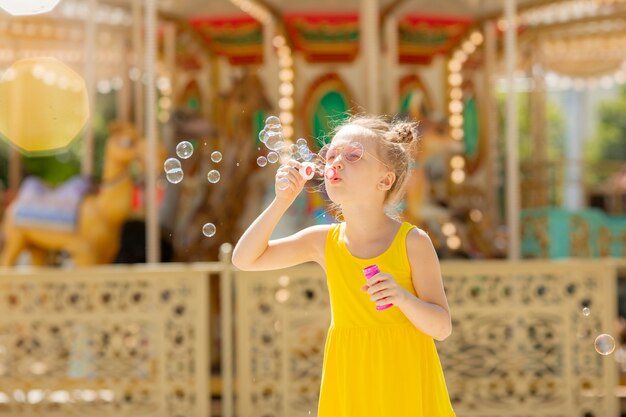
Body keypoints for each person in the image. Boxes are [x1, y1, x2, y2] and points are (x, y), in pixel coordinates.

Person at [232, 114, 455, 417]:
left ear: (385, 179)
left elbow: (441, 327)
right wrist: (282, 201)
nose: (336, 162)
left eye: (353, 155)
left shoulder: (413, 242)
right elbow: (244, 259)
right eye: (332, 154)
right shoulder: (323, 241)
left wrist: (402, 298)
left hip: (405, 379)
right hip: (350, 378)